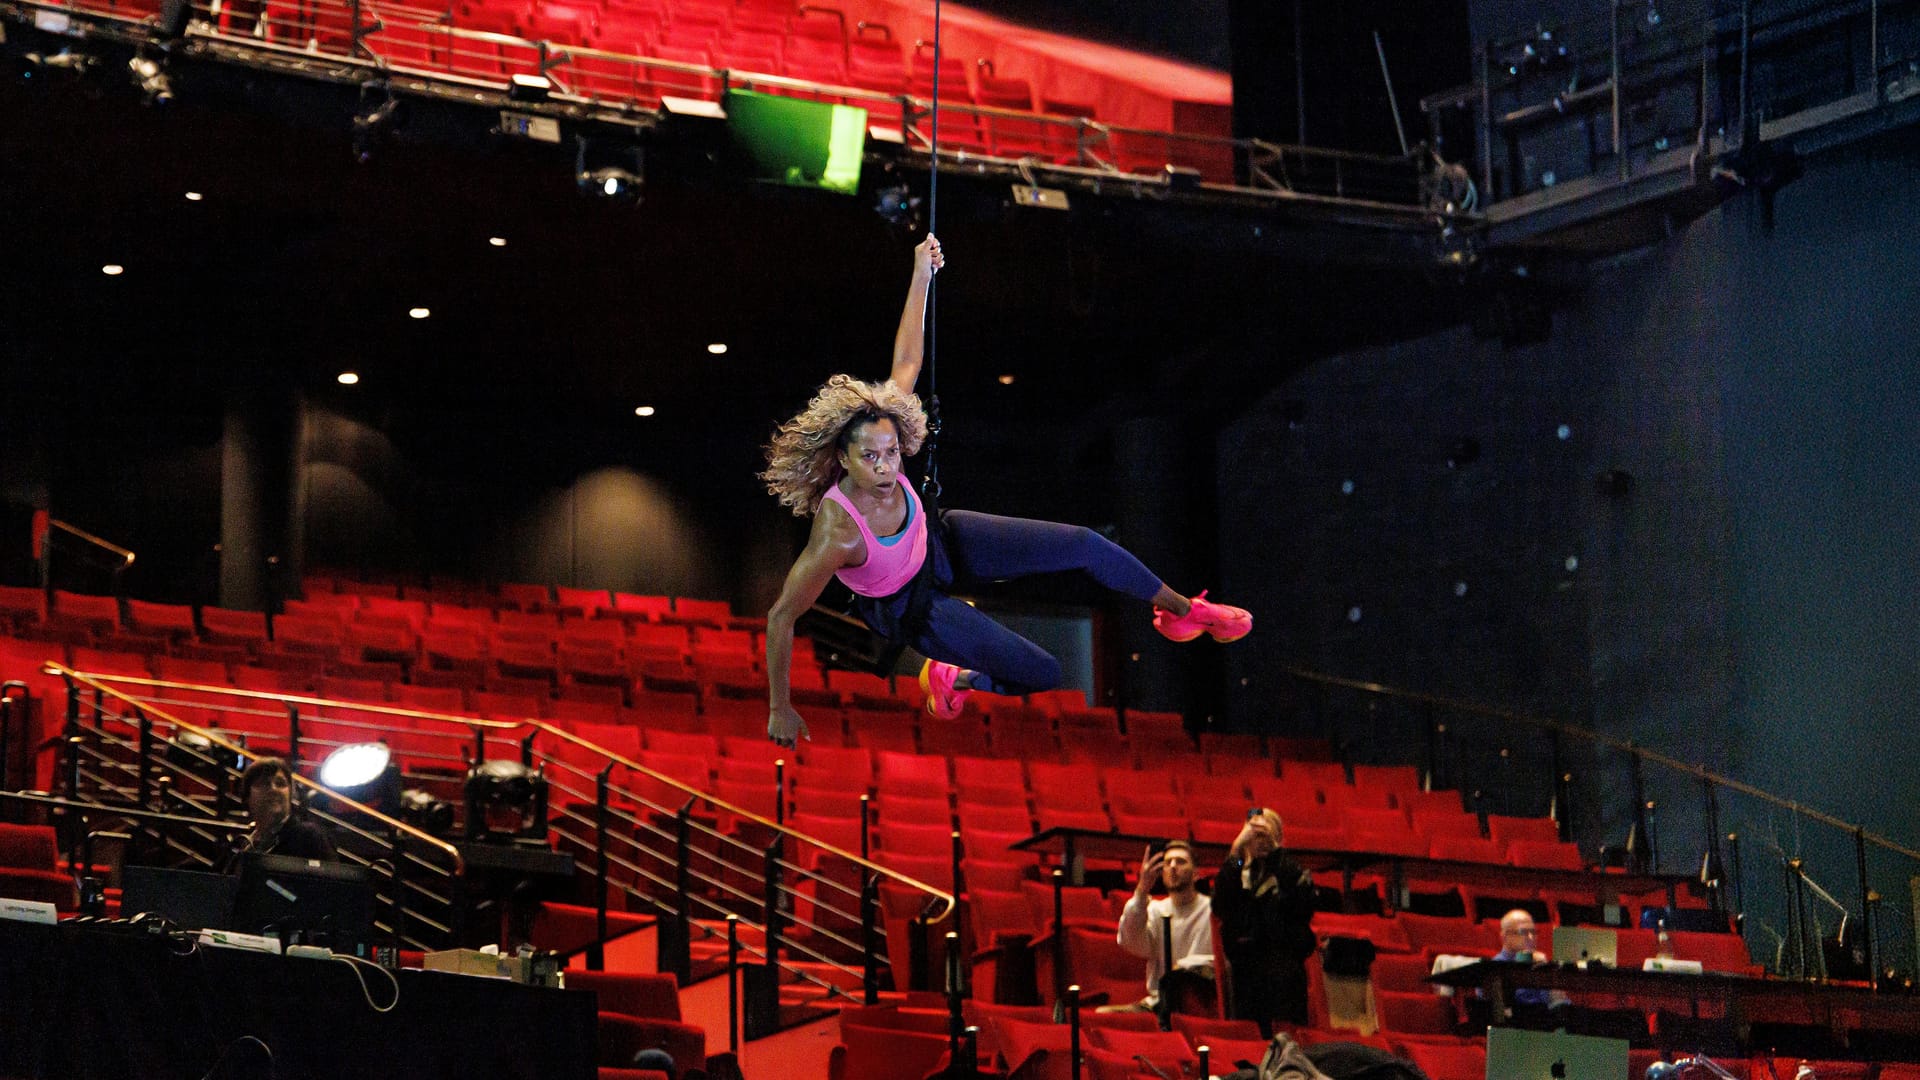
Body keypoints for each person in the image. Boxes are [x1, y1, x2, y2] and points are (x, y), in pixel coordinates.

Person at [759, 235, 1252, 746]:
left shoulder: (885, 429)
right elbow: (781, 616)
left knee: (1084, 543)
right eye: (870, 458)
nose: (886, 467)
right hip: (911, 605)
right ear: (843, 459)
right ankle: (954, 678)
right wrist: (780, 706)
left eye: (892, 452)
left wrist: (921, 273)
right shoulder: (838, 532)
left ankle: (1183, 611)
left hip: (939, 540)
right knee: (1043, 672)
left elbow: (907, 360)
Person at [1212, 808, 1317, 1033]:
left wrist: (1276, 854)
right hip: (1246, 975)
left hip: (1285, 975)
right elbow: (1221, 905)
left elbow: (1302, 905)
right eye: (1255, 835)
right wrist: (1236, 851)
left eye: (1266, 834)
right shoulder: (1238, 871)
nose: (1260, 841)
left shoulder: (1288, 870)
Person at [1104, 841, 1215, 1013]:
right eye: (1168, 862)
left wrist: (1181, 969)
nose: (1173, 866)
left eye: (1180, 862)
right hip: (1159, 1003)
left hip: (1200, 1001)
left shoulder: (1212, 910)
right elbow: (1129, 941)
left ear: (1196, 874)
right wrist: (1142, 889)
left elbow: (1217, 962)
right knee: (1104, 1014)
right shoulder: (1156, 910)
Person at [224, 756, 337, 870]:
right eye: (264, 783)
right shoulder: (242, 844)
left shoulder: (309, 837)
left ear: (291, 794)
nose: (273, 789)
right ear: (247, 796)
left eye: (280, 783)